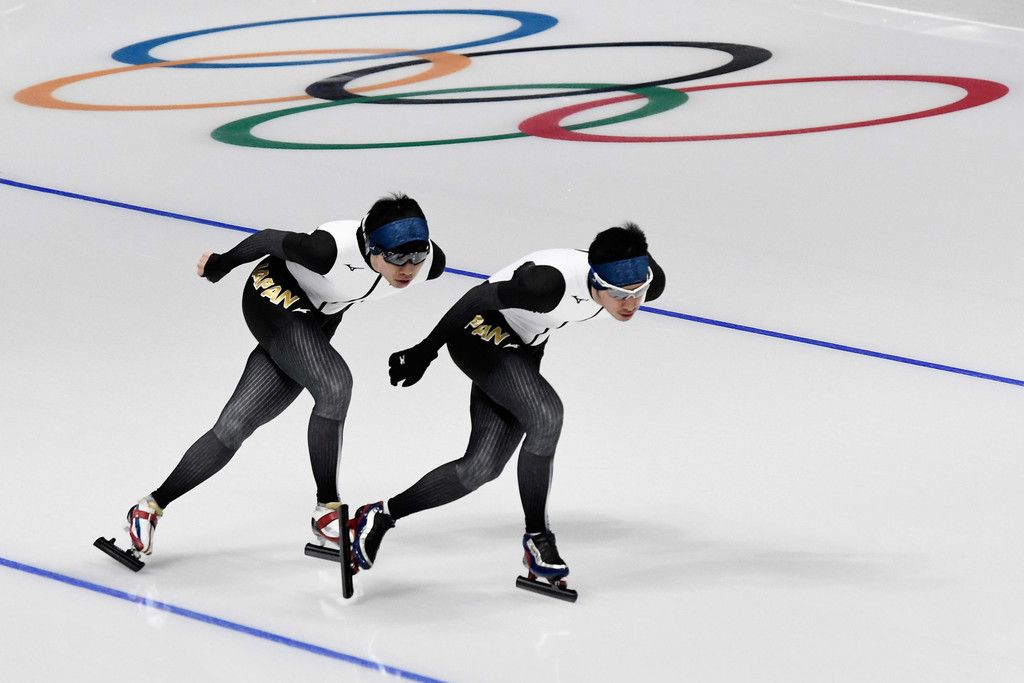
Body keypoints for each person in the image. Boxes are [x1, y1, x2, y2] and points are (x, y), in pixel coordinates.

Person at [118, 193, 446, 562]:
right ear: (371, 248)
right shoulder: (329, 250)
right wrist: (222, 263)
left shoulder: (430, 264)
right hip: (273, 295)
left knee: (234, 426)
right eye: (397, 258)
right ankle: (327, 509)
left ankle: (149, 507)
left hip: (317, 319)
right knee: (335, 384)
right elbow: (267, 239)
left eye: (416, 256)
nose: (408, 269)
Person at [350, 222, 664, 584]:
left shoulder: (648, 281)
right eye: (619, 294)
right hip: (479, 330)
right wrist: (425, 351)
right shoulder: (548, 285)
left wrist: (633, 262)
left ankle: (380, 515)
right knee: (547, 415)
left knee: (480, 468)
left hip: (523, 347)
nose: (631, 303)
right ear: (595, 280)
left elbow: (635, 262)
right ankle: (538, 539)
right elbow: (475, 298)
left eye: (638, 291)